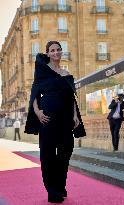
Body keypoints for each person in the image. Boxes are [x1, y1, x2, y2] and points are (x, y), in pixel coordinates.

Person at [25, 41, 86, 203]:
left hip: (66, 118)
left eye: (58, 50)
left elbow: (71, 97)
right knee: (48, 154)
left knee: (66, 150)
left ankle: (60, 185)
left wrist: (75, 115)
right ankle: (52, 190)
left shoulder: (66, 73)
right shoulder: (42, 71)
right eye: (52, 50)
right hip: (48, 118)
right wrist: (38, 113)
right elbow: (34, 95)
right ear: (48, 53)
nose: (56, 52)